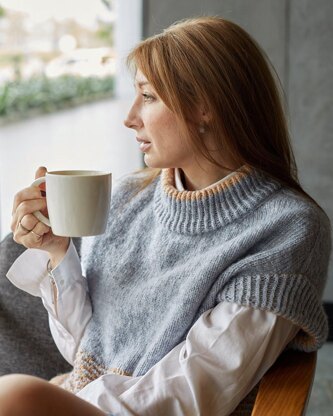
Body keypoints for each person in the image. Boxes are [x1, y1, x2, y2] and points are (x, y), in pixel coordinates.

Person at [1, 16, 331, 415]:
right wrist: (57, 251)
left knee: (16, 395)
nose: (130, 117)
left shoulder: (286, 229)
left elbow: (188, 394)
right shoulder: (127, 197)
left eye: (149, 96)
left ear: (203, 107)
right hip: (83, 399)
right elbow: (87, 352)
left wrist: (46, 402)